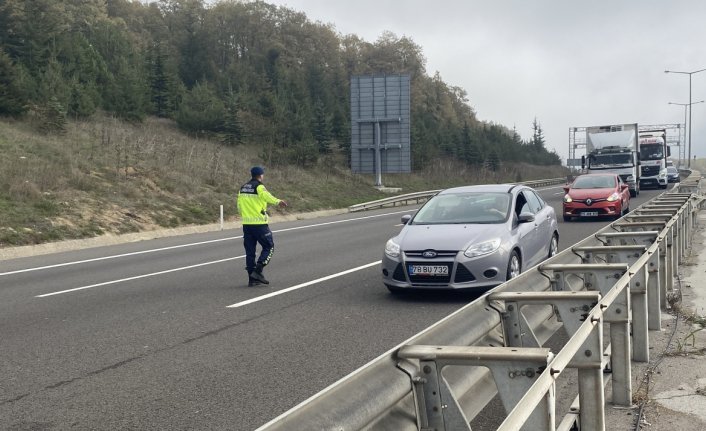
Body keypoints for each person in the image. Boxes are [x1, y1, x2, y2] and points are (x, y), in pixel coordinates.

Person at [237, 166, 288, 286]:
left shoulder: (243, 187)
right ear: (260, 175)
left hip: (247, 224)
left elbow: (239, 205)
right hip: (259, 224)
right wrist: (278, 201)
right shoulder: (259, 187)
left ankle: (252, 279)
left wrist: (245, 215)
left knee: (250, 252)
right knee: (269, 246)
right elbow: (267, 196)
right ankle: (258, 270)